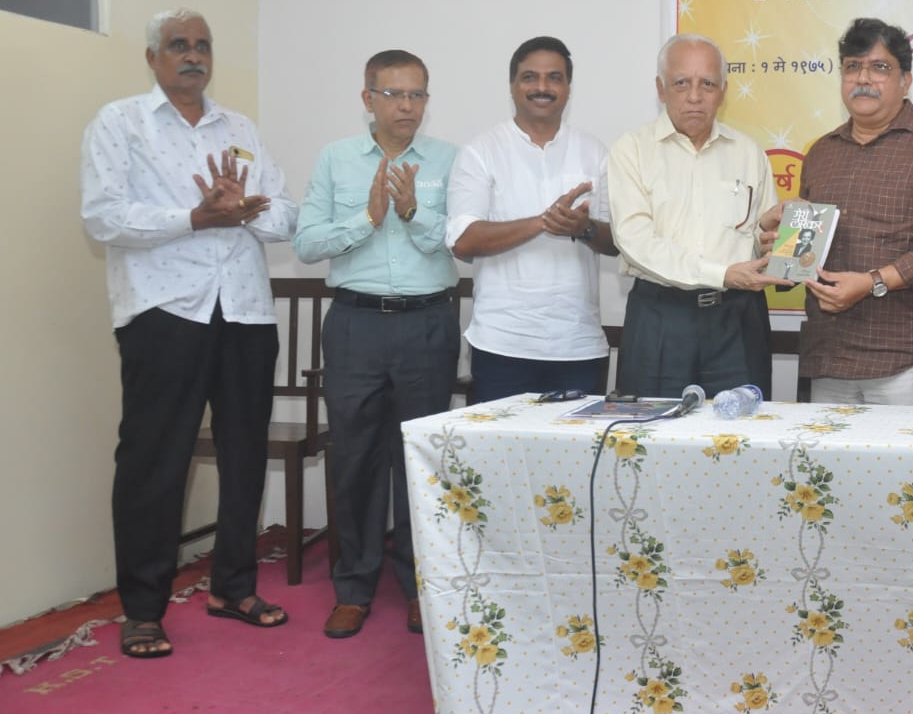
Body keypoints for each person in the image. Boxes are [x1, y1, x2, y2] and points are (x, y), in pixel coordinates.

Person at [81, 8, 298, 658]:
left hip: (245, 312)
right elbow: (103, 217)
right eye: (179, 45)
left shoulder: (241, 129)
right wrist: (195, 217)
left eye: (202, 45)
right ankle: (144, 610)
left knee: (244, 455)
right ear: (153, 57)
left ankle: (233, 587)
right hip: (165, 311)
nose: (193, 55)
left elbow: (286, 215)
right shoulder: (120, 122)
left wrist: (247, 211)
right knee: (155, 462)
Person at [293, 50, 459, 640]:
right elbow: (307, 244)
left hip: (427, 323)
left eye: (417, 94)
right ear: (368, 98)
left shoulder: (449, 160)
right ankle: (354, 588)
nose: (407, 106)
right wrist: (367, 219)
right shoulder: (336, 159)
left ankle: (420, 587)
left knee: (420, 460)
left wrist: (411, 213)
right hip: (356, 325)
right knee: (357, 457)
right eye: (394, 94)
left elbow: (460, 243)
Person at [798, 18, 913, 405]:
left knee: (908, 452)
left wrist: (873, 282)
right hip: (829, 356)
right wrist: (781, 243)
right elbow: (806, 250)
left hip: (910, 358)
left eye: (879, 67)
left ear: (906, 81)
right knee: (823, 452)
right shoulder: (821, 153)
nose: (863, 78)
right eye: (852, 66)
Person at [608, 34, 785, 398]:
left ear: (723, 91)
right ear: (661, 89)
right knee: (652, 427)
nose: (694, 96)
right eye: (681, 83)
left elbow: (757, 242)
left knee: (742, 428)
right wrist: (722, 274)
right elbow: (635, 241)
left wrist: (767, 238)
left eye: (707, 84)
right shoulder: (632, 150)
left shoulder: (749, 152)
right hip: (661, 316)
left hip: (738, 319)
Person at [449, 37, 617, 400]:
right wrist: (542, 222)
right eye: (530, 77)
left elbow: (616, 242)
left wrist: (584, 228)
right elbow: (463, 240)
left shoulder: (595, 152)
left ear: (568, 87)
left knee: (579, 440)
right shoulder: (480, 152)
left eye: (554, 77)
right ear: (512, 85)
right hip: (502, 344)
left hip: (578, 345)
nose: (542, 87)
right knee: (499, 440)